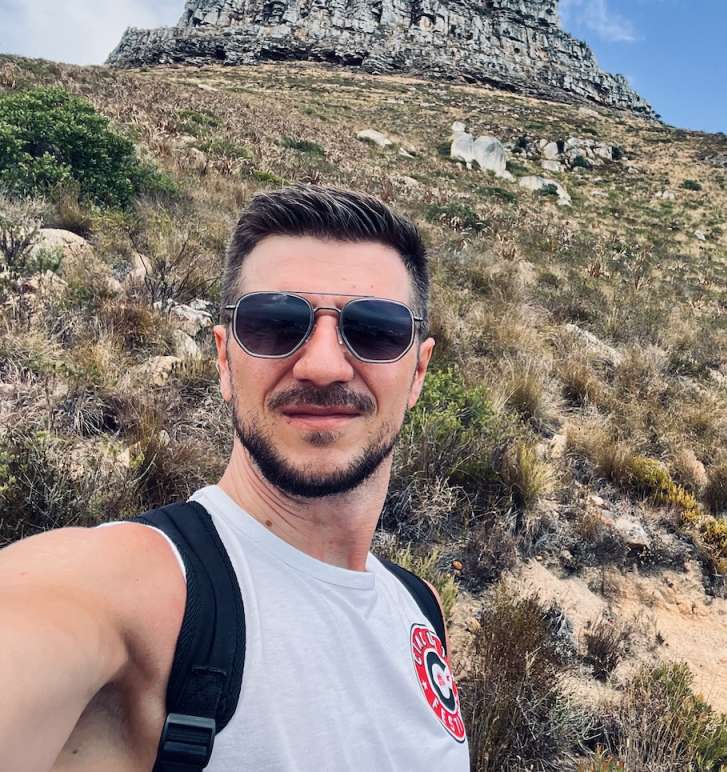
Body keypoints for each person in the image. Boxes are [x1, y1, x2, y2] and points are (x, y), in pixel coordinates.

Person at [0, 185, 470, 770]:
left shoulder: (419, 608)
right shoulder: (142, 592)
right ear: (224, 360)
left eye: (375, 331)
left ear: (418, 371)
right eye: (275, 324)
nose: (322, 365)